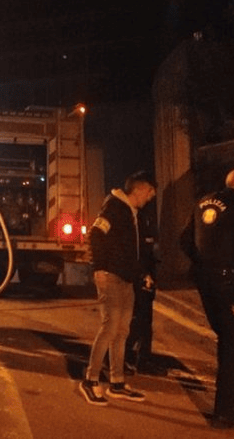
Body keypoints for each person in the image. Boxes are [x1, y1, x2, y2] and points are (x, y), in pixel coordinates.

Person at [180, 168, 234, 429]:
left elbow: (185, 239)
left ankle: (228, 401)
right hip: (230, 284)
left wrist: (203, 263)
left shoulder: (203, 202)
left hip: (206, 283)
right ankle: (225, 410)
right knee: (233, 346)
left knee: (226, 338)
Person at [79, 171, 157, 406]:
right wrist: (99, 268)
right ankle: (90, 380)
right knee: (110, 328)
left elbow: (128, 250)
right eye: (150, 192)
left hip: (126, 279)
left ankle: (117, 382)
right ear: (140, 189)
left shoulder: (131, 212)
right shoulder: (114, 207)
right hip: (111, 277)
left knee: (122, 331)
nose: (151, 197)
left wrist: (141, 274)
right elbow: (95, 233)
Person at [124, 202, 160, 376]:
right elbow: (135, 250)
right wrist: (143, 273)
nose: (151, 196)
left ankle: (141, 358)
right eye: (150, 192)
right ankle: (128, 356)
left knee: (144, 320)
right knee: (140, 319)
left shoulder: (145, 215)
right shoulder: (134, 216)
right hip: (141, 275)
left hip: (147, 272)